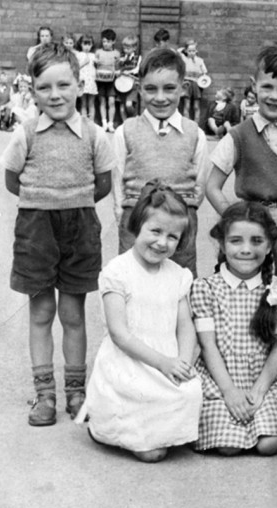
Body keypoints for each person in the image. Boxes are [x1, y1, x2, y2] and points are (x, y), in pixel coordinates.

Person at [1, 43, 114, 426]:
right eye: (45, 87)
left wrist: (72, 201)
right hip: (36, 227)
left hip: (79, 226)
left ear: (79, 85)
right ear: (32, 92)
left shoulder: (95, 135)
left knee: (72, 312)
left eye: (63, 85)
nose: (55, 95)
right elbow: (12, 179)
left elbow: (102, 184)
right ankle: (44, 393)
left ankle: (76, 391)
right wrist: (43, 200)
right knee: (41, 310)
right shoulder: (27, 132)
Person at [77, 184, 201, 462]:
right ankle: (104, 428)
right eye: (155, 231)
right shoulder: (118, 272)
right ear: (137, 226)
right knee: (153, 451)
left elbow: (185, 326)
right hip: (130, 361)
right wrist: (162, 363)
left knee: (189, 389)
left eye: (172, 236)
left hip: (165, 359)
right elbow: (120, 334)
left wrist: (182, 361)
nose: (162, 242)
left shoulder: (178, 275)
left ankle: (163, 428)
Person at [192, 202, 277, 456]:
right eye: (236, 241)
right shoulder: (205, 288)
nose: (246, 249)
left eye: (257, 241)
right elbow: (208, 346)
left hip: (266, 379)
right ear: (222, 245)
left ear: (269, 246)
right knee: (227, 447)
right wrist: (230, 393)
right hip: (220, 380)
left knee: (270, 444)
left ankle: (265, 419)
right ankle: (229, 419)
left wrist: (258, 392)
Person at [207, 42, 277, 309]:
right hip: (254, 225)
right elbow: (212, 186)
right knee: (247, 300)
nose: (274, 96)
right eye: (267, 87)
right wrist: (234, 219)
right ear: (254, 85)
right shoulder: (239, 136)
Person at [113, 47, 209, 276]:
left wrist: (185, 211)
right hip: (136, 220)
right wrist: (123, 214)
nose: (160, 97)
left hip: (180, 222)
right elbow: (117, 179)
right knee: (133, 280)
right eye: (150, 89)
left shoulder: (195, 133)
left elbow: (200, 185)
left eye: (169, 89)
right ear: (139, 90)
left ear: (183, 89)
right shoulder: (125, 131)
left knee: (180, 281)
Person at [95, 28, 120, 132]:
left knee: (111, 102)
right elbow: (94, 66)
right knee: (102, 101)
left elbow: (118, 67)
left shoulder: (116, 53)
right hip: (100, 80)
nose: (106, 44)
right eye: (104, 41)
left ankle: (111, 123)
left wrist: (117, 72)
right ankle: (104, 123)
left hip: (111, 81)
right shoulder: (98, 52)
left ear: (113, 41)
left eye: (108, 41)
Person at [180, 39, 208, 122]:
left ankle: (196, 126)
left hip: (197, 84)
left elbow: (204, 73)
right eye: (189, 51)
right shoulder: (184, 59)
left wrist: (203, 80)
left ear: (196, 51)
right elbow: (177, 52)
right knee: (186, 105)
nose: (192, 52)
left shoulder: (200, 61)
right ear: (186, 51)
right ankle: (186, 125)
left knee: (196, 106)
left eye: (194, 50)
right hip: (187, 83)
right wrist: (184, 50)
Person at [115, 34, 141, 123]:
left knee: (129, 104)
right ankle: (124, 124)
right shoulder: (122, 58)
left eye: (128, 48)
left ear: (134, 48)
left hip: (132, 83)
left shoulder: (138, 57)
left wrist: (129, 72)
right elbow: (117, 70)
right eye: (124, 48)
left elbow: (137, 69)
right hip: (122, 84)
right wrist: (118, 68)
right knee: (122, 107)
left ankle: (134, 119)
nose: (125, 50)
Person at [76, 35, 98, 121]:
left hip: (91, 82)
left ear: (92, 45)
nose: (87, 47)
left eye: (89, 44)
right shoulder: (78, 55)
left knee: (91, 104)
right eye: (84, 44)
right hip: (82, 82)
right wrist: (84, 63)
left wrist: (97, 63)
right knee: (83, 104)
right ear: (81, 44)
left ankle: (91, 122)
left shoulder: (93, 55)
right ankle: (84, 121)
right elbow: (75, 68)